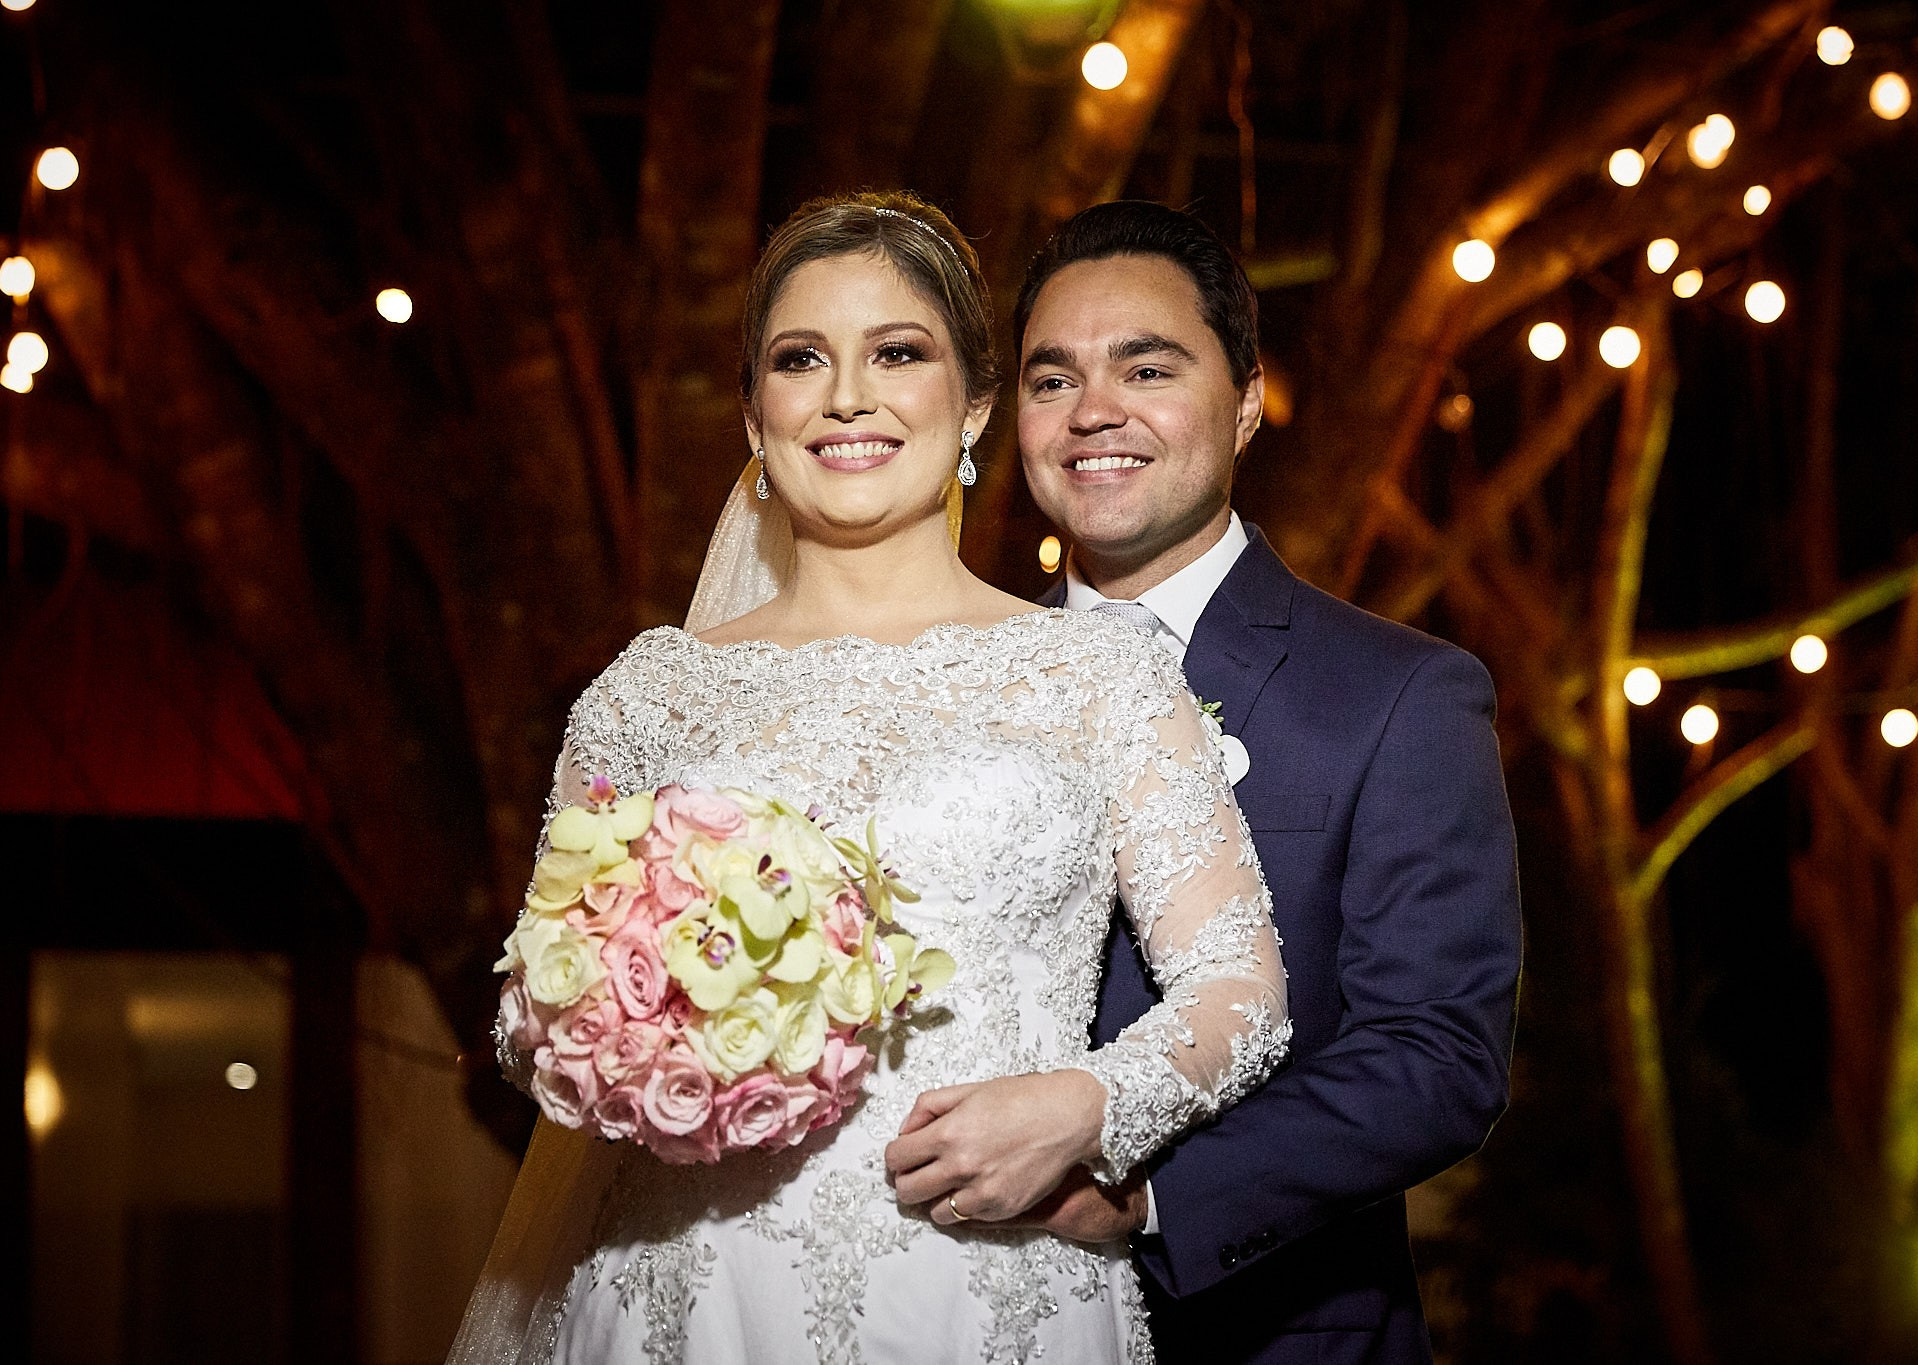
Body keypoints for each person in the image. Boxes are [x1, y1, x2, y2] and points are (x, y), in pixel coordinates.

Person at [445, 190, 1289, 1365]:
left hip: (989, 1276)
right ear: (754, 416)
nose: (848, 395)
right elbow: (530, 1014)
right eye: (802, 360)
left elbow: (1236, 993)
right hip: (686, 1285)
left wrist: (1083, 1107)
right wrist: (628, 1037)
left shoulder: (1096, 673)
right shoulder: (648, 695)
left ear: (974, 407)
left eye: (898, 353)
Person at [1011, 200, 1522, 1365]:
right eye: (1053, 380)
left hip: (1269, 1334)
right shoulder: (950, 685)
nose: (1093, 412)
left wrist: (1153, 1198)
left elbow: (1436, 1055)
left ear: (1244, 402)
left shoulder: (1399, 696)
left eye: (1146, 368)